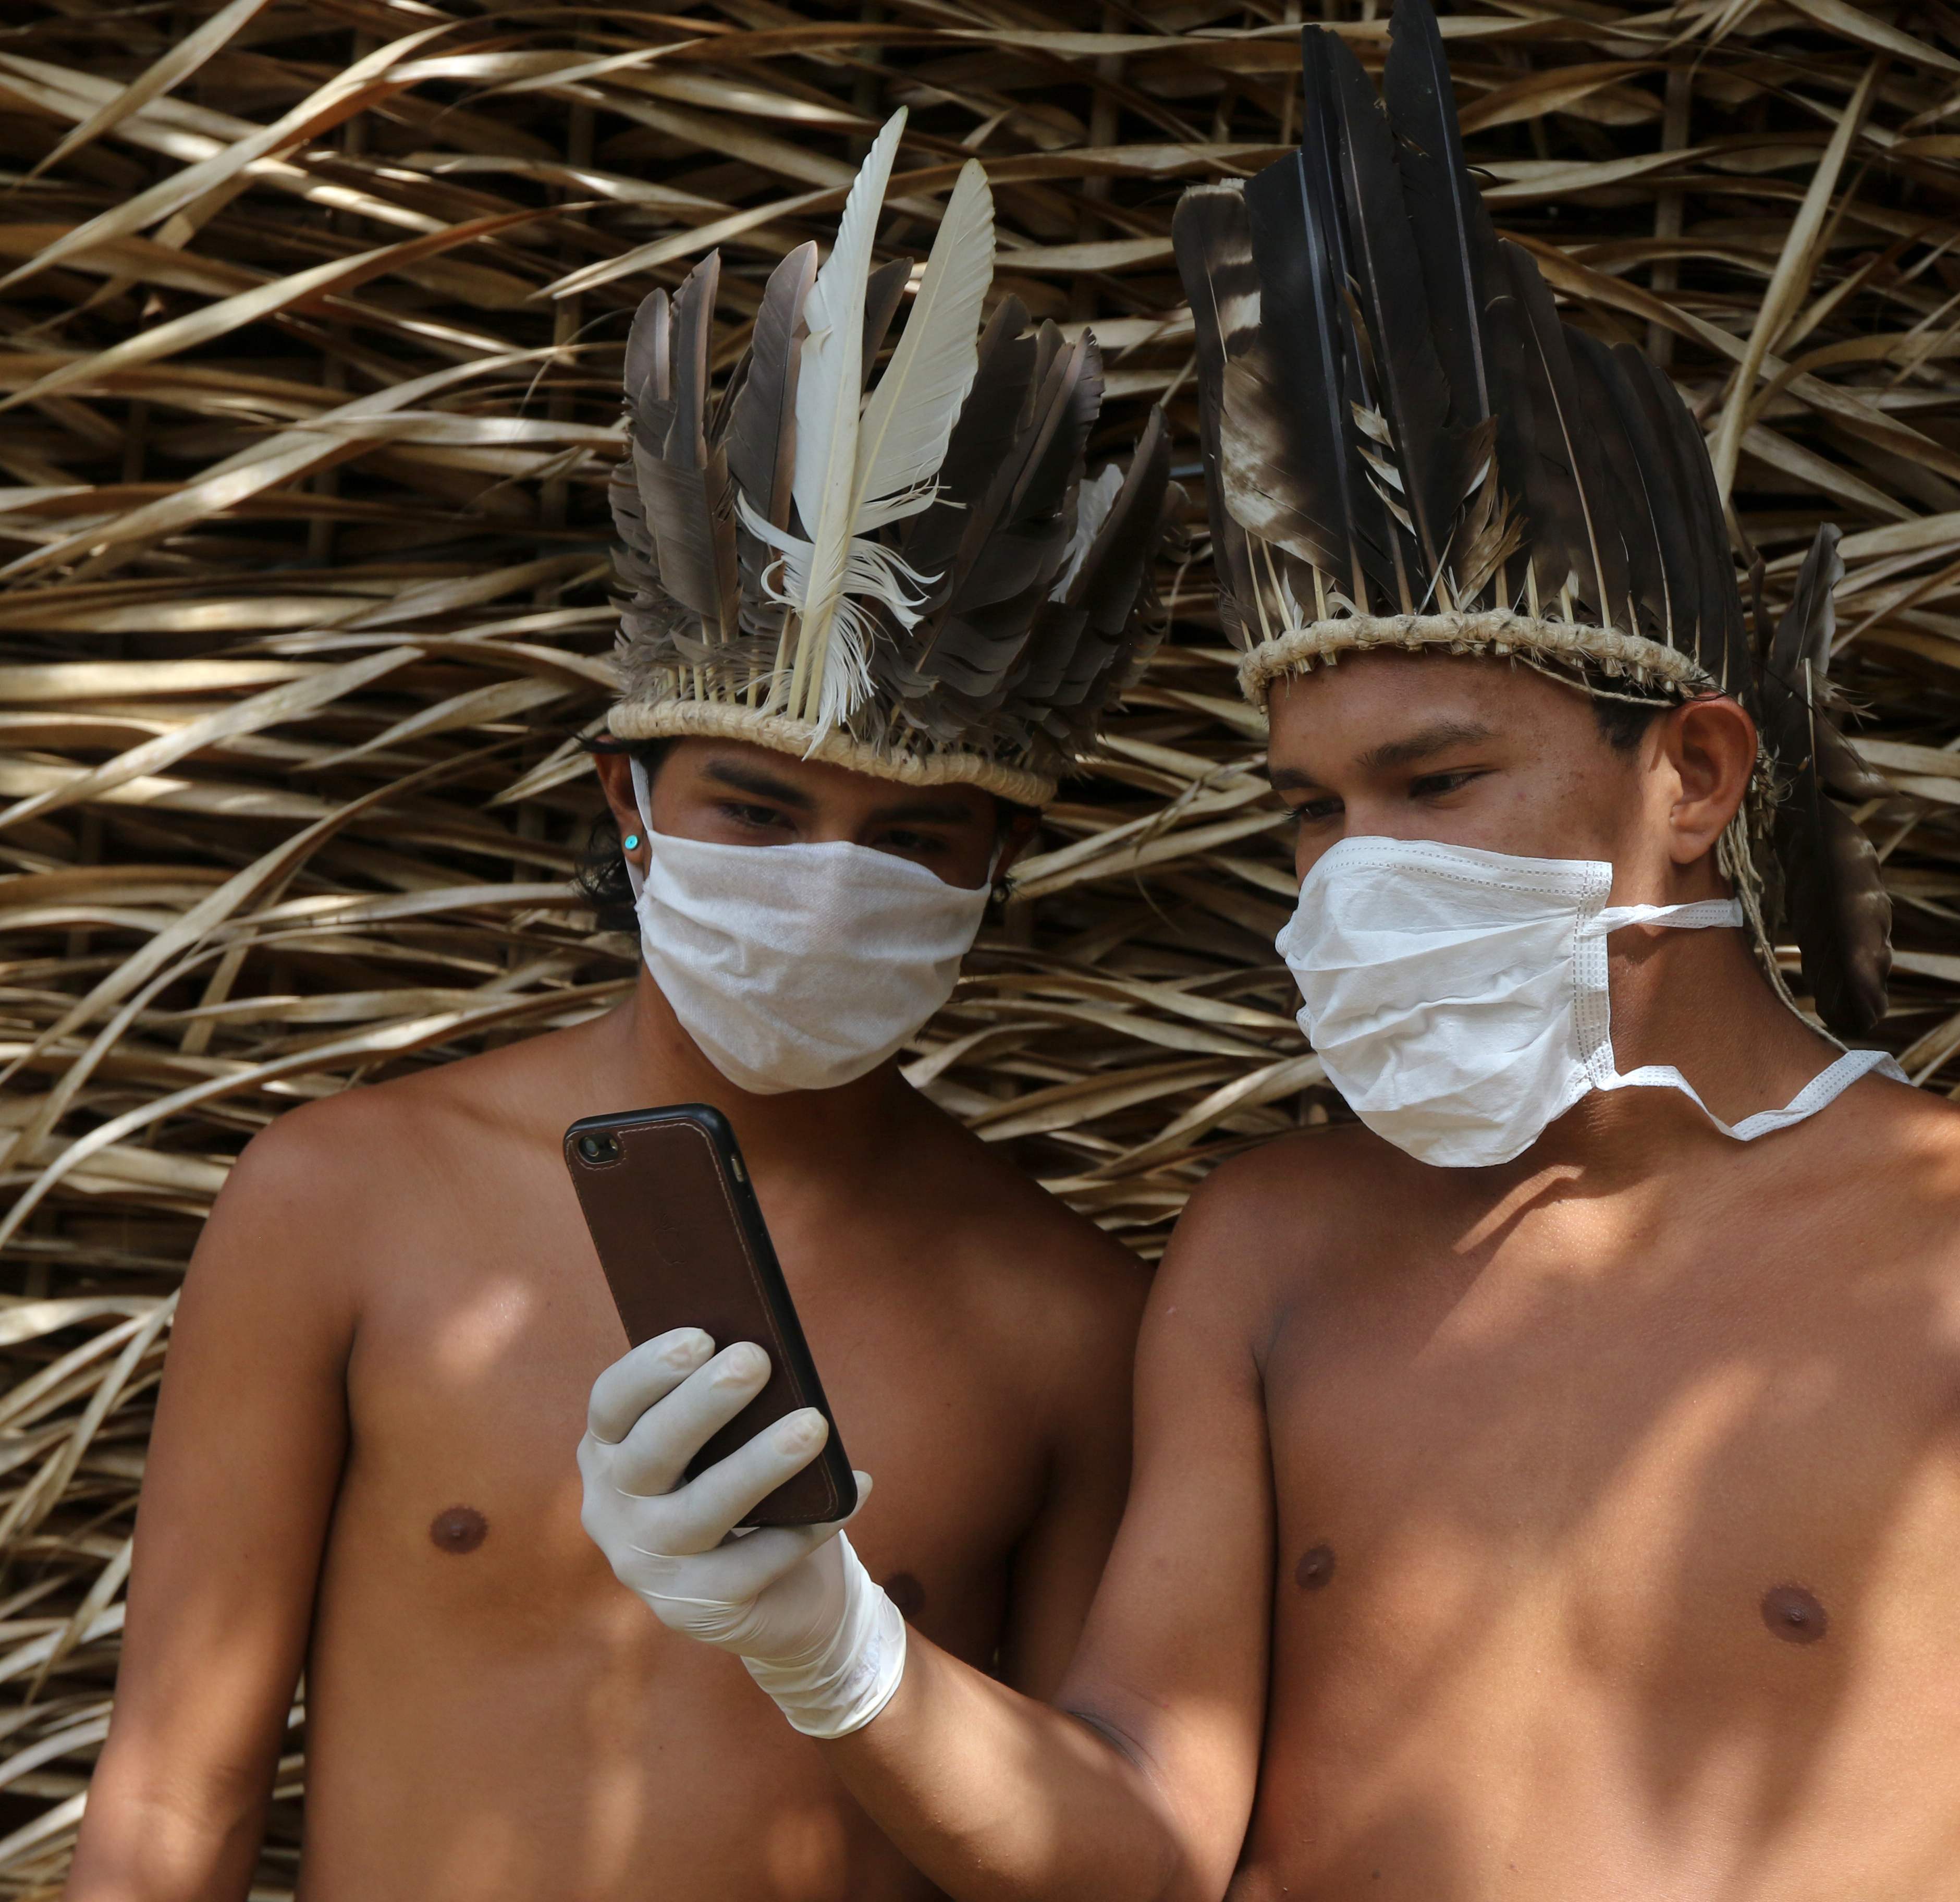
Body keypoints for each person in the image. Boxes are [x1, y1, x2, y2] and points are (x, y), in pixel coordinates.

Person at [574, 16, 1960, 1900]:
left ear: (1695, 776)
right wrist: (825, 1637)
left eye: (1436, 780)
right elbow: (1139, 1845)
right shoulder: (1276, 1255)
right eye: (1314, 809)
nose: (1359, 868)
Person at [74, 117, 1179, 1902]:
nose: (828, 882)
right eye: (759, 808)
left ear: (997, 864)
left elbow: (1091, 1862)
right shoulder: (344, 1203)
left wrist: (838, 1643)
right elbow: (169, 1810)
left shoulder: (1064, 1320)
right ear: (628, 800)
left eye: (913, 836)